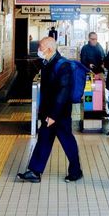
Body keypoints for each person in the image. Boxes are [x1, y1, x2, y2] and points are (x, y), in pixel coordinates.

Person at [17, 37, 82, 183]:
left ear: (50, 49)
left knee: (67, 141)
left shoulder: (62, 65)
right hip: (48, 112)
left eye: (41, 47)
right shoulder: (47, 63)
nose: (39, 50)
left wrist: (53, 115)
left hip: (59, 114)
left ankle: (76, 170)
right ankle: (34, 171)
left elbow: (63, 92)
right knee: (44, 139)